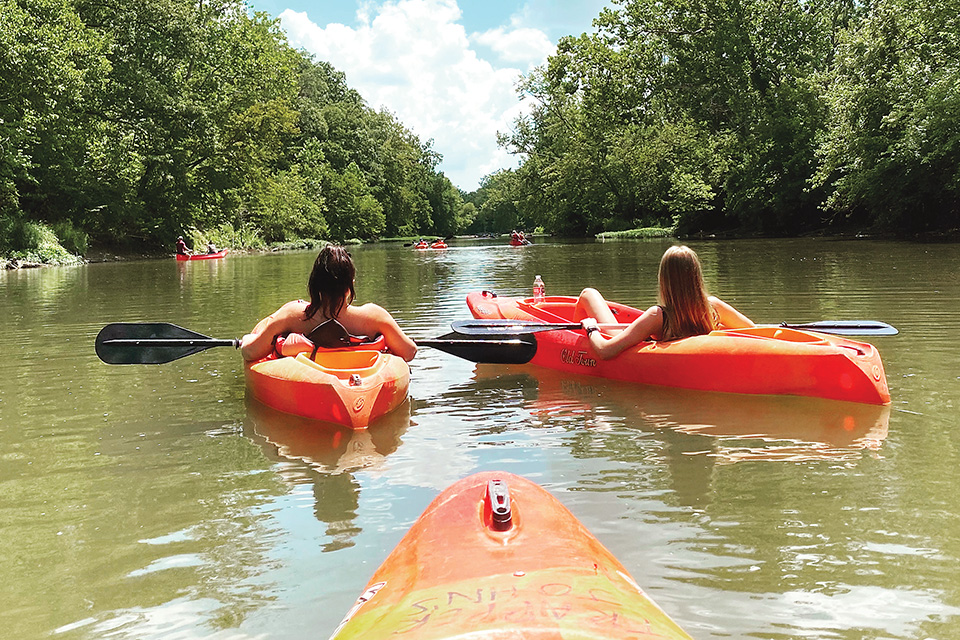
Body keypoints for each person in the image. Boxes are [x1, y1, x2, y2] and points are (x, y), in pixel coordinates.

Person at [240, 244, 418, 363]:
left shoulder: (292, 316)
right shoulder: (374, 317)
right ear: (350, 286)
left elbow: (250, 353)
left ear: (315, 285)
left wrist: (248, 340)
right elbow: (409, 352)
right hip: (359, 379)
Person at [577, 245, 754, 360]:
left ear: (664, 280)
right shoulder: (714, 307)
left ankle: (575, 339)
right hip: (677, 341)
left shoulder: (658, 316)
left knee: (588, 294)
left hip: (619, 341)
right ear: (696, 277)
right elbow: (752, 330)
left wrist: (591, 328)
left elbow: (605, 351)